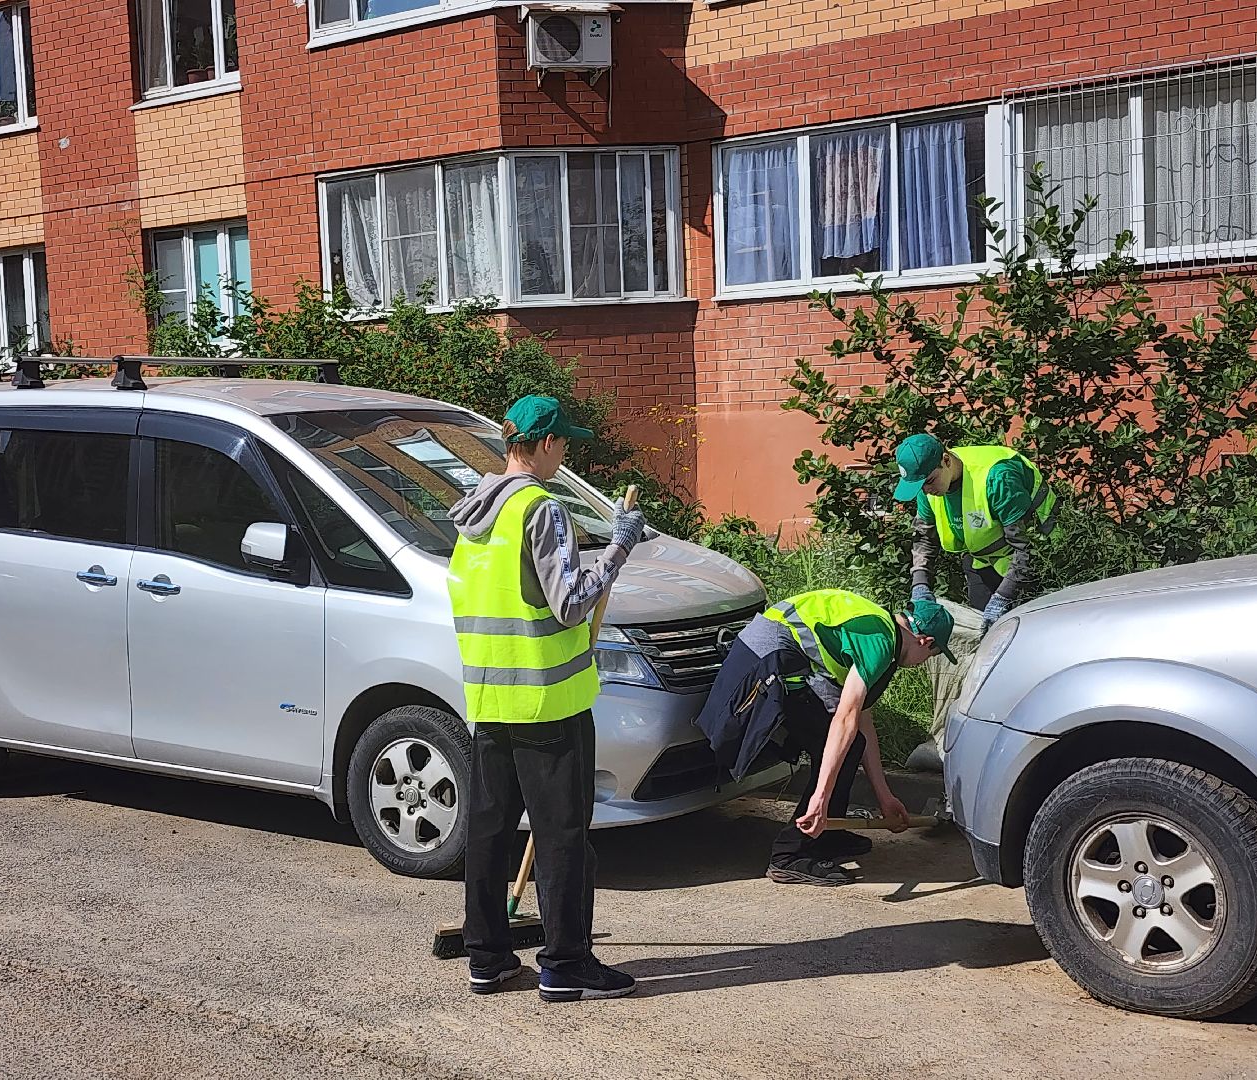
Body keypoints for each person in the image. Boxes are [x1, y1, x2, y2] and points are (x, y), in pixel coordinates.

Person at [447, 395, 648, 1003]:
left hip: (489, 701)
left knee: (489, 830)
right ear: (543, 445)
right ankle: (565, 963)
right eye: (564, 444)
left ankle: (487, 958)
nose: (566, 455)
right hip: (549, 705)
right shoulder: (542, 510)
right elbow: (571, 602)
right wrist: (619, 547)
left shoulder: (473, 515)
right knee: (563, 837)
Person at [696, 589, 956, 886]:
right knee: (835, 745)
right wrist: (819, 800)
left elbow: (860, 721)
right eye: (932, 656)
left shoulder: (881, 631)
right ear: (926, 642)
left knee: (850, 744)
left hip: (781, 655)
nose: (924, 662)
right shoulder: (879, 643)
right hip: (765, 661)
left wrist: (884, 796)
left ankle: (827, 834)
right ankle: (790, 854)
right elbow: (844, 719)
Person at [893, 433, 1057, 630]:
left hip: (1042, 561)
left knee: (1031, 634)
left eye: (929, 481)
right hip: (983, 561)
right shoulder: (927, 490)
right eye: (919, 486)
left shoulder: (998, 477)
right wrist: (920, 585)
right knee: (988, 634)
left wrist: (1003, 596)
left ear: (946, 460)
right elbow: (924, 540)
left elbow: (1029, 548)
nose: (927, 490)